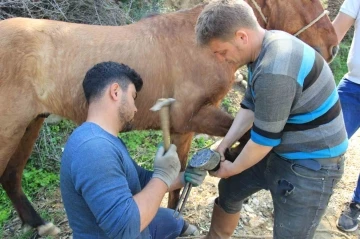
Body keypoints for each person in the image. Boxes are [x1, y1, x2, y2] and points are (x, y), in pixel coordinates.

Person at [195, 0, 348, 238]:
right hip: (277, 149)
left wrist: (232, 168)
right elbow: (250, 107)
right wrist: (223, 145)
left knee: (289, 233)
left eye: (222, 52)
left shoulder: (276, 67)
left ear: (241, 37)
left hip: (312, 164)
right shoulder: (263, 46)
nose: (221, 59)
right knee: (231, 190)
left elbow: (264, 140)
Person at [60, 61, 206, 239]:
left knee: (170, 219)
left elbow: (141, 181)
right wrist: (162, 175)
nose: (136, 108)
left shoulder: (104, 140)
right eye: (132, 96)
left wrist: (182, 177)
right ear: (115, 92)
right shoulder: (94, 149)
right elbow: (125, 229)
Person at [332, 0, 360, 232]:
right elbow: (333, 35)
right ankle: (302, 194)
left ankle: (356, 204)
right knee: (326, 142)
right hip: (353, 86)